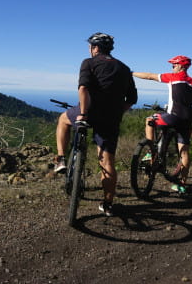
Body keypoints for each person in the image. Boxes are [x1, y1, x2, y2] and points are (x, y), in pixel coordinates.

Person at [52, 32, 137, 215]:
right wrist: (116, 112)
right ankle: (107, 204)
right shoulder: (124, 68)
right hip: (111, 119)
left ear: (94, 48)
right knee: (107, 162)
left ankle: (60, 158)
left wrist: (83, 113)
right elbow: (132, 99)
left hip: (88, 112)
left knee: (63, 120)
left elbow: (83, 88)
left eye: (90, 46)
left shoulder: (89, 62)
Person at [132, 55, 192, 192]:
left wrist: (132, 73)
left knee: (149, 120)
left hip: (172, 116)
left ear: (181, 66)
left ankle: (151, 151)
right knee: (184, 152)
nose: (172, 67)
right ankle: (182, 184)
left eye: (174, 65)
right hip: (187, 120)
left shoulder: (174, 77)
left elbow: (150, 76)